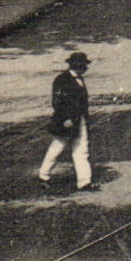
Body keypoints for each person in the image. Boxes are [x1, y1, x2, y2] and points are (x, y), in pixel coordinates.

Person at [38, 51, 96, 192]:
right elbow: (57, 102)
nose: (85, 68)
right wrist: (65, 119)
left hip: (80, 120)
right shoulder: (61, 79)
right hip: (66, 121)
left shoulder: (79, 79)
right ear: (76, 65)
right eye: (83, 65)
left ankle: (84, 182)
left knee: (81, 150)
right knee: (57, 147)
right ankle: (43, 175)